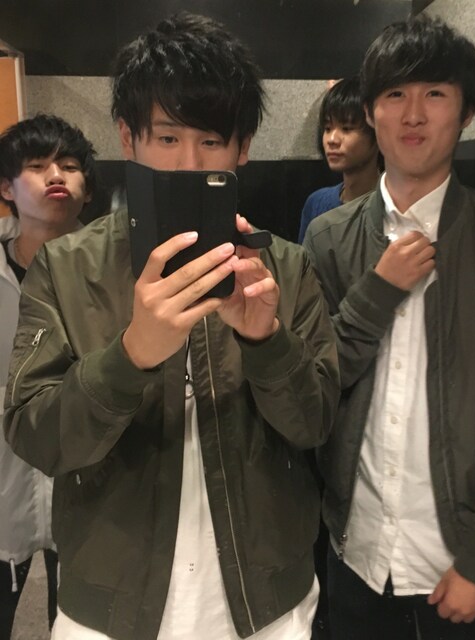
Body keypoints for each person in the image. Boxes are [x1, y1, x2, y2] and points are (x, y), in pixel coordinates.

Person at [3, 12, 339, 640]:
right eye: (166, 137)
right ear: (127, 139)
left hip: (266, 604)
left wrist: (267, 343)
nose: (188, 162)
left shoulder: (285, 267)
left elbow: (316, 424)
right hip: (108, 608)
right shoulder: (66, 267)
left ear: (242, 148)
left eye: (211, 140)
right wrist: (130, 355)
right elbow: (35, 437)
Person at [304, 15, 475, 640]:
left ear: (467, 111)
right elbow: (316, 383)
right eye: (395, 93)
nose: (414, 114)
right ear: (371, 111)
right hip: (353, 552)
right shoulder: (328, 237)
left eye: (436, 93)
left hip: (458, 561)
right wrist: (375, 292)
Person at [0, 113, 97, 638]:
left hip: (88, 479)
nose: (56, 175)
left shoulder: (117, 267)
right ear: (7, 188)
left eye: (70, 165)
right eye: (37, 166)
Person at [297, 76, 380, 243]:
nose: (332, 139)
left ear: (377, 132)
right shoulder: (317, 203)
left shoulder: (392, 205)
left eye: (347, 129)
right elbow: (304, 259)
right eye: (328, 128)